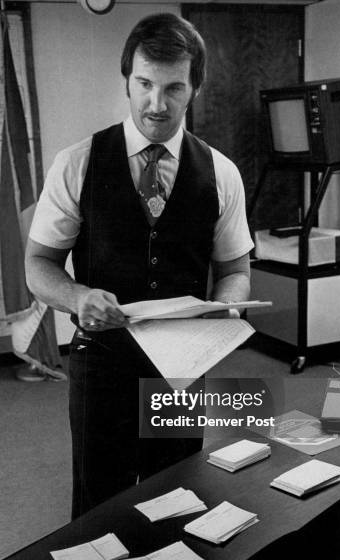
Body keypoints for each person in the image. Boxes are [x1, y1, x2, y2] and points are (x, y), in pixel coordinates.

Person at [25, 13, 254, 519]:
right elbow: (38, 266)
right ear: (127, 78)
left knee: (175, 494)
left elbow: (235, 268)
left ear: (195, 87)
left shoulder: (222, 172)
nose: (157, 104)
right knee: (97, 504)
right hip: (101, 360)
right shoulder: (76, 162)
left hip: (182, 368)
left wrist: (230, 306)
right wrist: (78, 297)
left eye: (174, 87)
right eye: (145, 84)